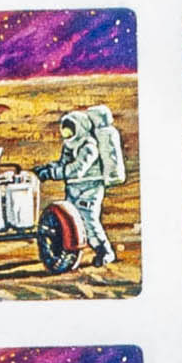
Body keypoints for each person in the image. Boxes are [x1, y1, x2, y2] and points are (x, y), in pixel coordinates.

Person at [36, 108, 123, 266]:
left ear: (80, 128)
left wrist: (51, 174)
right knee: (71, 221)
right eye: (65, 129)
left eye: (70, 129)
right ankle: (69, 252)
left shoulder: (89, 146)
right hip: (73, 188)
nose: (67, 132)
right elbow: (64, 164)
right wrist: (47, 168)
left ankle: (105, 251)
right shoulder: (70, 145)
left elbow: (77, 169)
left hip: (90, 188)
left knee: (89, 221)